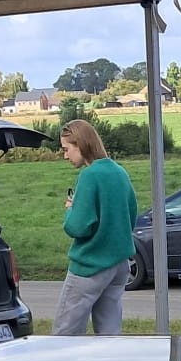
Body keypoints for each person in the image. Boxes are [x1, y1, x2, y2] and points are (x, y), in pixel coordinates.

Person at [54, 119, 139, 336]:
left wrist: (71, 210)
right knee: (110, 333)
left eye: (66, 149)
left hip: (90, 265)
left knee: (66, 335)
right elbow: (131, 215)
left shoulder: (89, 175)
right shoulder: (119, 172)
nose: (65, 156)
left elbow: (77, 227)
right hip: (119, 264)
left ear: (81, 145)